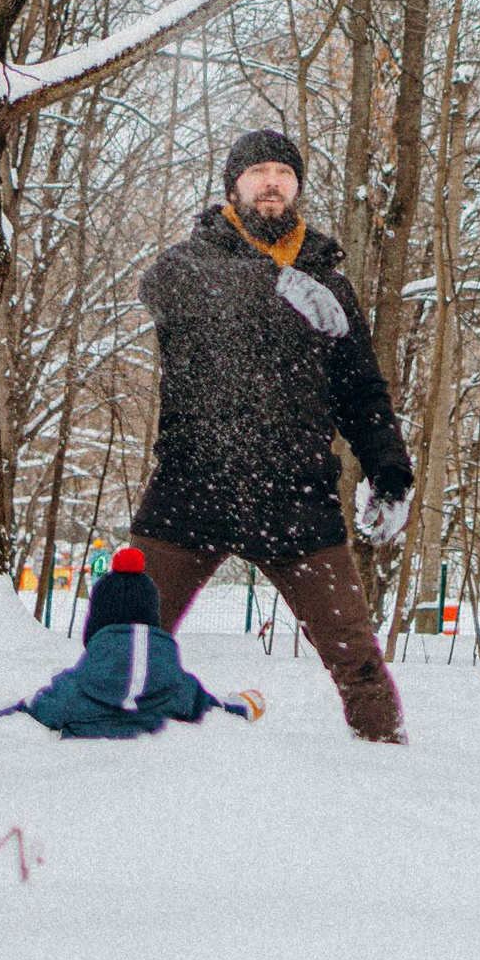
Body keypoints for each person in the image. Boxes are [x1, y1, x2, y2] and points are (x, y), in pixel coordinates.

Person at [130, 126, 413, 744]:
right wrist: (276, 283)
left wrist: (389, 473)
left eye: (283, 173)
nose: (271, 182)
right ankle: (85, 764)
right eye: (258, 172)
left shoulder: (330, 287)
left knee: (358, 662)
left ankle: (390, 771)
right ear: (233, 186)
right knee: (124, 645)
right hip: (192, 485)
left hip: (294, 493)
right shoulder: (190, 261)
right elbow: (165, 291)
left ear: (297, 189)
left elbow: (361, 392)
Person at [0, 544, 264, 739]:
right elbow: (216, 709)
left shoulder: (75, 686)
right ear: (152, 622)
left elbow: (32, 712)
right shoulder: (177, 685)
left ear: (96, 626)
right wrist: (243, 705)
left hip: (81, 788)